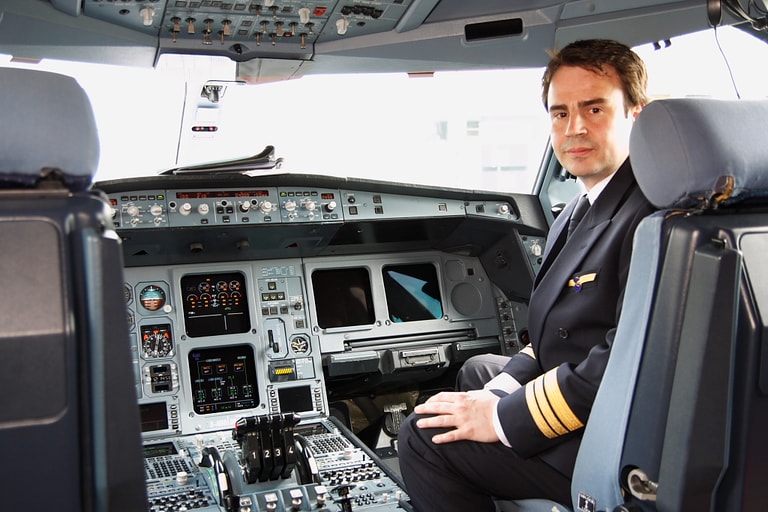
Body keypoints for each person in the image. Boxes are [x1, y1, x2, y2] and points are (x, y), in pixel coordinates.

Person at [397, 39, 656, 510]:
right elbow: (551, 334)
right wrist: (495, 394)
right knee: (479, 370)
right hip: (591, 399)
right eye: (560, 113)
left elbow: (624, 365)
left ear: (636, 113)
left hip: (612, 439)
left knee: (422, 436)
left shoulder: (650, 217)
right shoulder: (577, 210)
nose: (574, 127)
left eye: (595, 108)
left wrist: (498, 418)